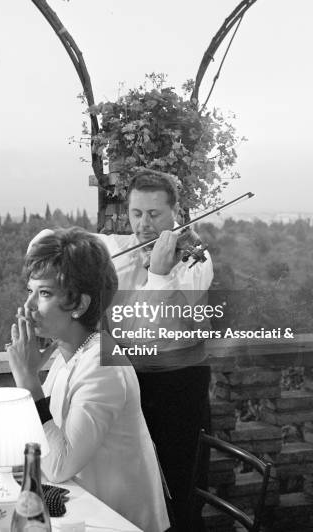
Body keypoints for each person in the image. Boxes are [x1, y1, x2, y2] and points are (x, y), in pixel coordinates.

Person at [6, 227, 170, 532]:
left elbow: (58, 465)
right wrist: (35, 375)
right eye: (30, 291)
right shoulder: (69, 352)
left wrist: (28, 381)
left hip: (118, 523)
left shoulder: (103, 364)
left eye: (43, 293)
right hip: (83, 511)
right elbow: (40, 442)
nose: (28, 306)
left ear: (80, 305)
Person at [97, 169, 214, 532]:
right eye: (136, 214)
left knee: (181, 483)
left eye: (154, 215)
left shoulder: (195, 258)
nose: (144, 225)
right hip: (130, 382)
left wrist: (160, 274)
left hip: (179, 384)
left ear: (174, 213)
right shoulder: (116, 250)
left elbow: (185, 318)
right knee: (133, 482)